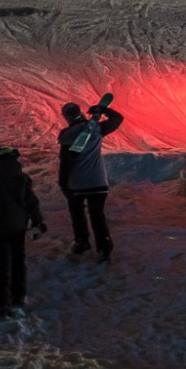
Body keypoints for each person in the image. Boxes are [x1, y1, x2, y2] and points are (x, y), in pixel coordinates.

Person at [0, 146, 46, 317]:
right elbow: (32, 203)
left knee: (2, 263)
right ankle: (18, 298)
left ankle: (1, 303)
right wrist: (37, 222)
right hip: (18, 226)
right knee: (18, 261)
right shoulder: (22, 179)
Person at [57, 97, 122, 260]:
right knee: (97, 214)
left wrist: (63, 184)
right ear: (80, 113)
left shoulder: (66, 136)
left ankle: (81, 241)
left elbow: (65, 164)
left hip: (77, 183)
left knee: (77, 212)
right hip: (97, 182)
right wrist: (102, 110)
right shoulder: (96, 129)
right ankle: (104, 245)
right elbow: (117, 119)